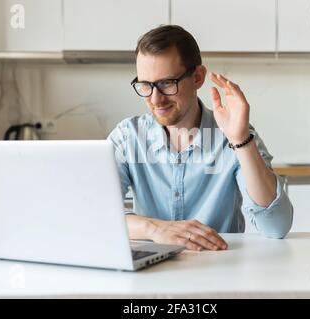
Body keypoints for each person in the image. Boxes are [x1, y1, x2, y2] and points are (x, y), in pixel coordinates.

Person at [108, 25, 293, 251]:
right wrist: (154, 229)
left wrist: (241, 141)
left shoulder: (233, 134)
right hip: (150, 275)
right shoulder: (128, 137)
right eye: (146, 85)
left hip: (221, 270)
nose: (155, 99)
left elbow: (276, 226)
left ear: (197, 77)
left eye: (167, 83)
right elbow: (94, 214)